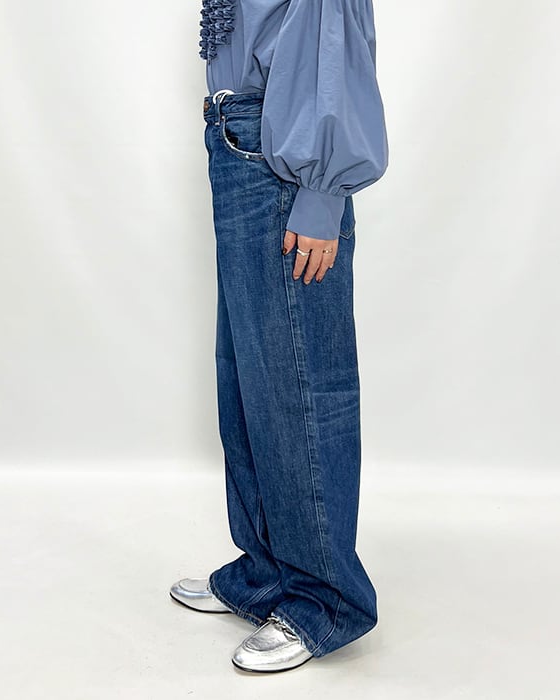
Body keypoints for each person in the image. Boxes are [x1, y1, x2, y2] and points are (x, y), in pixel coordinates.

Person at [171, 0, 389, 673]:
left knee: (300, 387)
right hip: (239, 141)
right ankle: (266, 574)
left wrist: (321, 193)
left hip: (280, 157)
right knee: (249, 377)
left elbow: (334, 42)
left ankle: (325, 600)